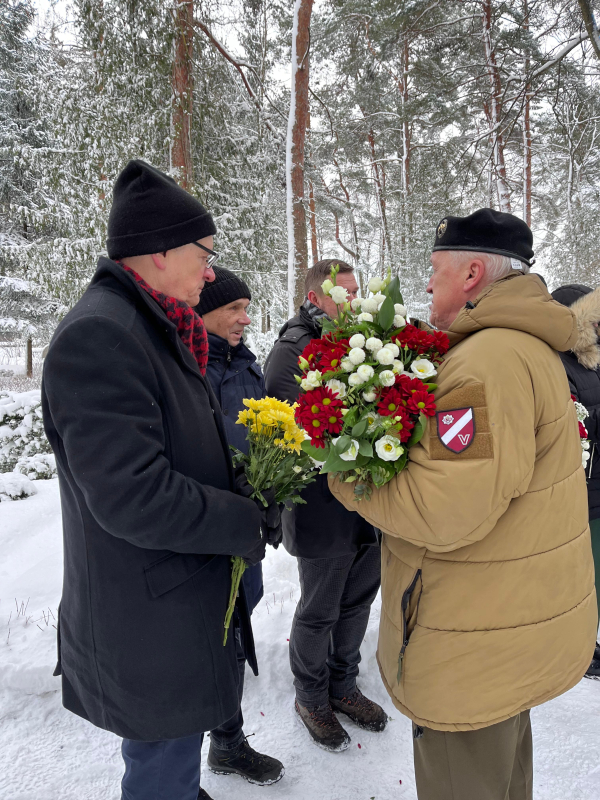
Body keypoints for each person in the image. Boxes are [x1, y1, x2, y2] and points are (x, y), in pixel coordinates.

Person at [329, 209, 598, 800]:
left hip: (471, 643)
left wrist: (347, 476)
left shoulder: (487, 362)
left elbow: (445, 511)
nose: (427, 285)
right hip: (501, 627)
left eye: (435, 270)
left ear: (473, 272)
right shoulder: (522, 348)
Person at [41, 160, 274, 800]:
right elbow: (133, 496)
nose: (209, 270)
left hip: (175, 594)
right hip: (150, 609)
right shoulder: (102, 335)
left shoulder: (152, 323)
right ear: (158, 250)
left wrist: (249, 484)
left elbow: (180, 443)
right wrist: (241, 521)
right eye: (203, 254)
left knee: (175, 754)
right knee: (161, 764)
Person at [264, 259, 387, 753]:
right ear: (316, 297)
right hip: (319, 507)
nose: (354, 300)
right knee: (319, 610)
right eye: (345, 292)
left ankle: (344, 686)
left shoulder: (367, 344)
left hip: (370, 502)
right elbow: (295, 433)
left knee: (357, 600)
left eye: (359, 291)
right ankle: (311, 697)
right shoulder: (291, 352)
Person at [195, 266, 284, 784]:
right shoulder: (187, 365)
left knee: (236, 627)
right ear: (202, 310)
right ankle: (201, 751)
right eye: (234, 309)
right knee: (205, 641)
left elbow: (264, 437)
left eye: (247, 309)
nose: (244, 320)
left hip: (244, 529)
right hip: (204, 528)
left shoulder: (247, 365)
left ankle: (226, 742)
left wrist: (271, 495)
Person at [551, 283, 600, 679]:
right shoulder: (555, 362)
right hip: (580, 489)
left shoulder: (594, 357)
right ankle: (577, 646)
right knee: (578, 574)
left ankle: (586, 638)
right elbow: (568, 420)